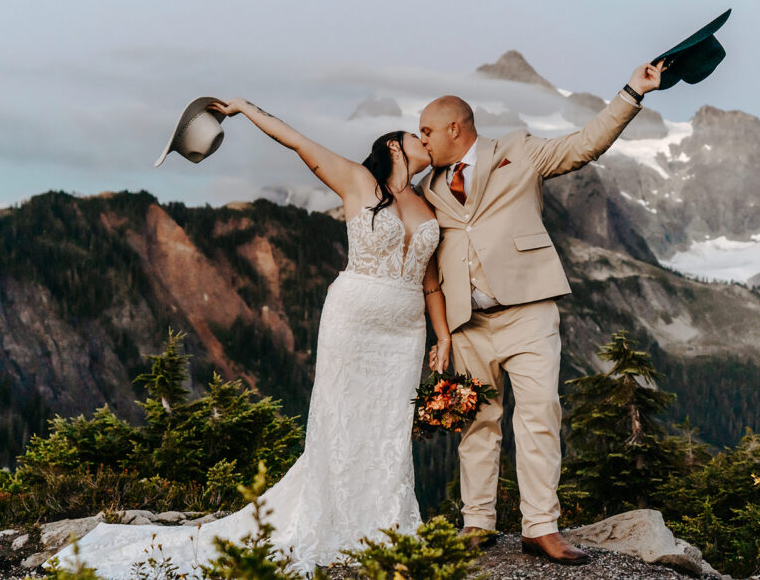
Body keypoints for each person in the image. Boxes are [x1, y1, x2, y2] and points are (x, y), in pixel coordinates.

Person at [46, 98, 454, 577]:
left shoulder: (429, 202)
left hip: (405, 331)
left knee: (388, 429)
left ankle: (383, 525)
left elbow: (430, 279)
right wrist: (244, 108)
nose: (423, 140)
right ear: (392, 144)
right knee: (340, 421)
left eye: (428, 134)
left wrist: (442, 336)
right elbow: (296, 140)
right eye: (415, 134)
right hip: (353, 322)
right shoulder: (357, 181)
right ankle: (333, 521)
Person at [419, 62, 663, 565]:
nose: (423, 142)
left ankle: (541, 528)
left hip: (528, 311)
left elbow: (583, 145)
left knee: (539, 417)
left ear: (455, 129)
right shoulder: (427, 186)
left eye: (427, 132)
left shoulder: (517, 151)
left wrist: (632, 92)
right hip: (467, 323)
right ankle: (477, 523)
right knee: (476, 423)